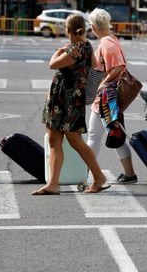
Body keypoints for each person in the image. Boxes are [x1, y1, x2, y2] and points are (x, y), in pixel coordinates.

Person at [32, 14, 108, 195]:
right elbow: (94, 66)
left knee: (64, 141)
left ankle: (97, 176)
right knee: (64, 140)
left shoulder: (76, 49)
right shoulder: (87, 46)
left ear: (68, 30)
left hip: (65, 100)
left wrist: (59, 51)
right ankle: (54, 183)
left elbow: (53, 64)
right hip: (72, 99)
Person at [86, 8, 138, 189]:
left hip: (106, 98)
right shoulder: (110, 40)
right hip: (109, 97)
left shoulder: (106, 44)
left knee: (94, 136)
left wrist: (102, 84)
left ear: (93, 27)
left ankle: (85, 173)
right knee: (116, 135)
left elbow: (118, 67)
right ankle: (129, 174)